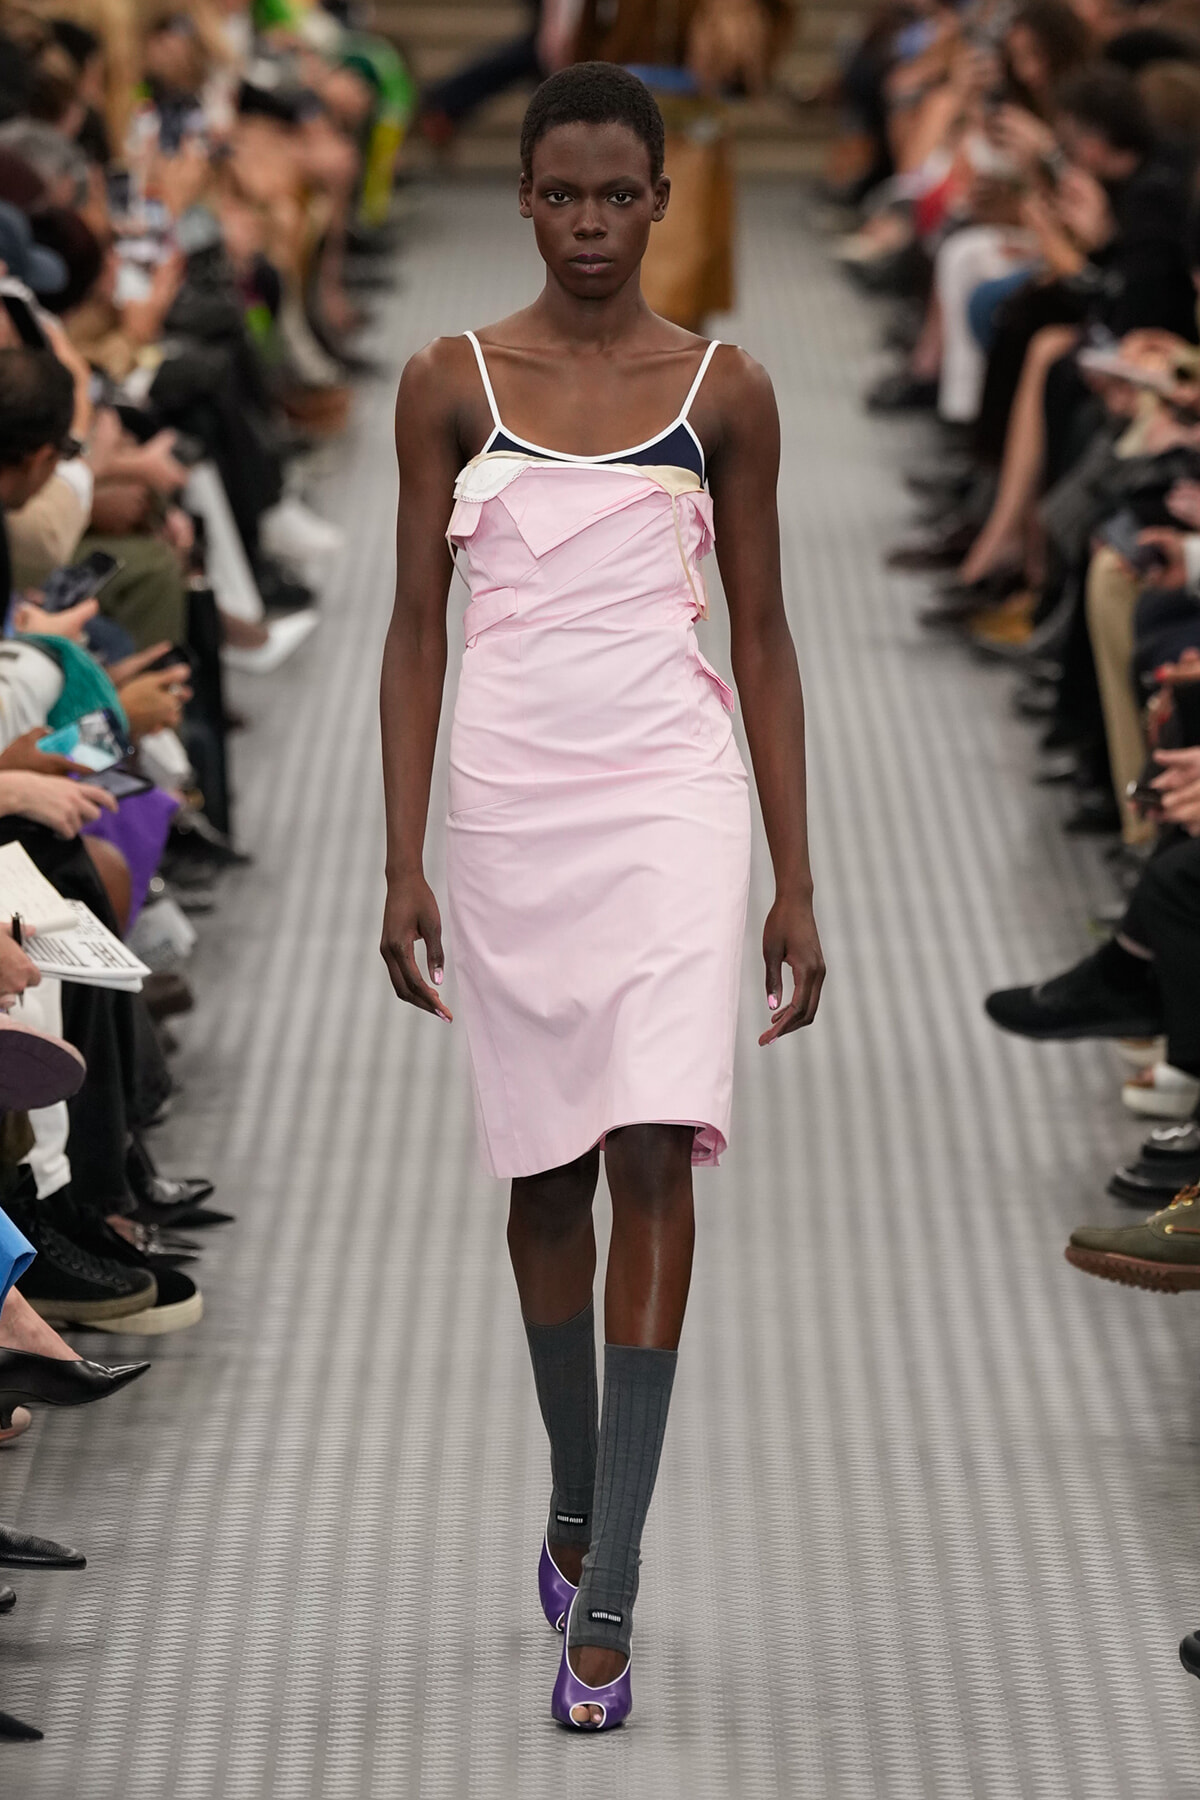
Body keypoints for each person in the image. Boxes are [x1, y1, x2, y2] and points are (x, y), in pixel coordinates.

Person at [379, 62, 824, 1731]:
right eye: (558, 195)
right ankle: (578, 1488)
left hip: (669, 804)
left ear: (659, 201)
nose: (585, 224)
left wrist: (795, 878)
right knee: (545, 1178)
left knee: (652, 1146)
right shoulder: (447, 381)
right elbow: (414, 632)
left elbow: (763, 639)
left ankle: (611, 1584)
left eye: (614, 196)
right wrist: (399, 852)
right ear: (522, 197)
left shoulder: (726, 391)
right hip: (503, 810)